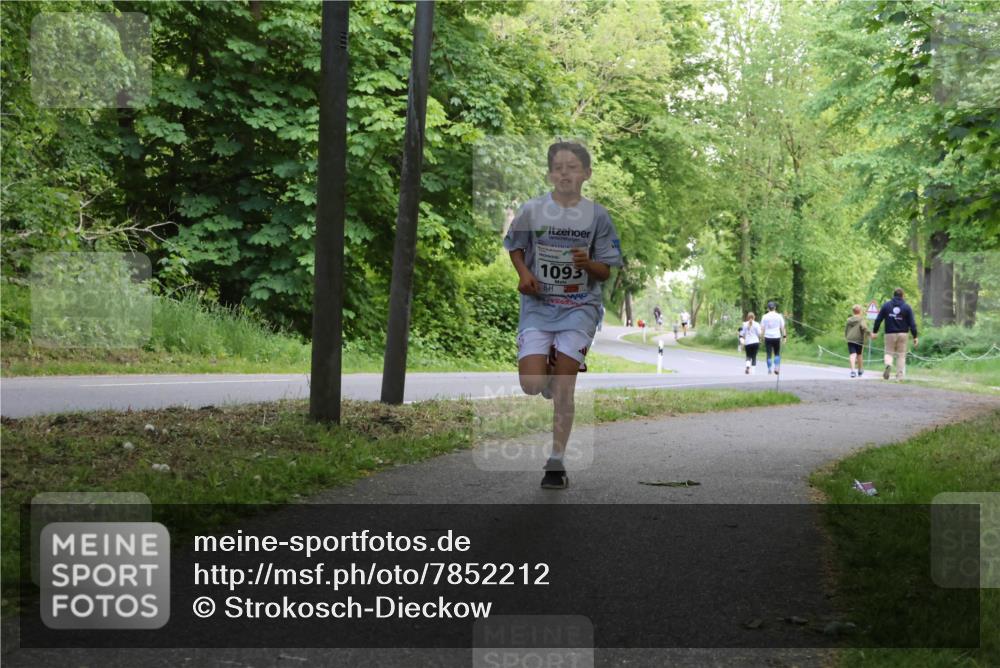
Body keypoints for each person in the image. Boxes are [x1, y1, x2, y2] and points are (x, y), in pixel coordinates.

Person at [504, 141, 623, 489]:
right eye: (558, 167)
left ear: (586, 173)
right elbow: (515, 248)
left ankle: (555, 462)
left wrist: (589, 264)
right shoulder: (532, 210)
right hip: (539, 307)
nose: (565, 173)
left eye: (573, 167)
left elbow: (605, 271)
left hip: (579, 307)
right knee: (531, 385)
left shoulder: (598, 216)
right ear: (549, 173)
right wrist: (524, 276)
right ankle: (548, 380)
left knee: (566, 388)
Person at [871, 287, 918, 380]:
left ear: (893, 295)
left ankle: (888, 364)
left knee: (889, 352)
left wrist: (874, 332)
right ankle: (899, 376)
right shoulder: (907, 307)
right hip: (903, 334)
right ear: (902, 296)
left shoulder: (886, 305)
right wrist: (915, 336)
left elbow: (878, 320)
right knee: (901, 355)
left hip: (889, 333)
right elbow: (912, 323)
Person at [760, 301, 787, 375]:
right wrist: (784, 337)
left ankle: (769, 369)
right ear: (775, 308)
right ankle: (776, 367)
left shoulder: (764, 316)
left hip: (768, 337)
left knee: (768, 354)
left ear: (768, 308)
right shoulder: (779, 316)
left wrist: (761, 338)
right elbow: (782, 328)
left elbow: (762, 328)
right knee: (777, 353)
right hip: (776, 337)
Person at [844, 304, 869, 378]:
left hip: (850, 339)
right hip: (859, 340)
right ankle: (860, 370)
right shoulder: (861, 320)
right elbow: (864, 328)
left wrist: (846, 337)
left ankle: (852, 371)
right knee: (859, 355)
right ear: (860, 311)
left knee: (852, 354)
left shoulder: (849, 320)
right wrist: (867, 335)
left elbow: (846, 330)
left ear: (853, 311)